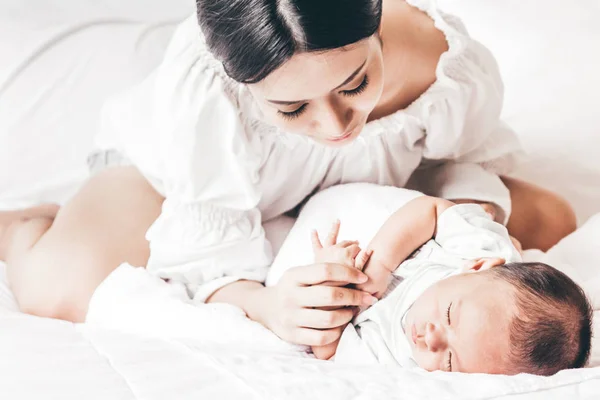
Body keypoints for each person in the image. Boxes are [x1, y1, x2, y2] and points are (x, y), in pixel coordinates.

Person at [0, 0, 576, 350]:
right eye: (291, 109)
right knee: (63, 292)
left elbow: (462, 163)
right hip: (180, 183)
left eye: (354, 85)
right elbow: (210, 254)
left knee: (548, 220)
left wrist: (452, 227)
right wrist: (266, 304)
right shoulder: (204, 100)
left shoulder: (447, 65)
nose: (333, 126)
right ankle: (27, 226)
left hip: (368, 186)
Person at [311, 196, 593, 375]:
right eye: (448, 314)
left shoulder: (395, 358)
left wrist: (331, 279)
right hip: (399, 235)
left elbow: (328, 350)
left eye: (449, 361)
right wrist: (381, 264)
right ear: (477, 266)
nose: (429, 339)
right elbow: (430, 209)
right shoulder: (476, 253)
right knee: (471, 212)